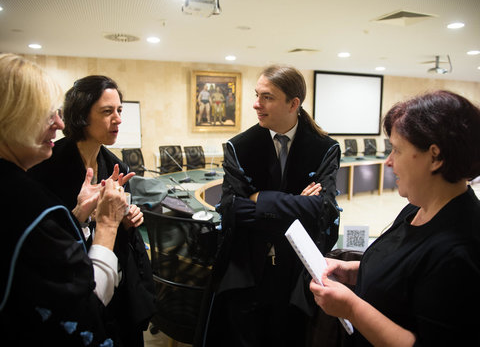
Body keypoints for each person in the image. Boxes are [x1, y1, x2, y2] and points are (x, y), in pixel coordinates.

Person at [310, 90, 480, 346]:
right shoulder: (420, 206)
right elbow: (405, 276)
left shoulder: (459, 252)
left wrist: (352, 309)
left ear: (435, 156)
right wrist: (351, 271)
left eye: (397, 150)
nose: (388, 161)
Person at [198, 65, 341, 346]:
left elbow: (325, 213)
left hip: (297, 271)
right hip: (248, 269)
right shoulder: (239, 146)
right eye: (257, 95)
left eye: (267, 97)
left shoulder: (325, 148)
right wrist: (300, 204)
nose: (256, 104)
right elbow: (231, 211)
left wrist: (259, 199)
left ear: (293, 103)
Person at [0, 53, 129, 345]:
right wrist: (108, 224)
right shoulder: (30, 204)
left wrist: (77, 216)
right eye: (47, 114)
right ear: (11, 116)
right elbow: (83, 311)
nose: (59, 123)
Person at [29, 75, 155, 347]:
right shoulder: (46, 166)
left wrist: (127, 219)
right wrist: (81, 216)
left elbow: (117, 225)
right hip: (73, 294)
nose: (118, 119)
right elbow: (43, 244)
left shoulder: (113, 164)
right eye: (107, 111)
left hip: (117, 290)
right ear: (81, 116)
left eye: (119, 110)